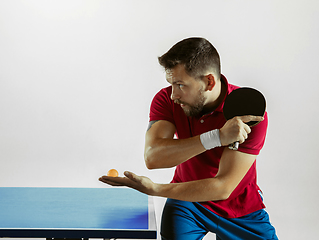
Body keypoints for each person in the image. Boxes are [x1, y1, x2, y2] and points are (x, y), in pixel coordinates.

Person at [99, 37, 278, 240]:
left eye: (180, 85)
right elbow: (153, 157)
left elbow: (224, 187)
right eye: (171, 84)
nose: (173, 94)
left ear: (209, 81)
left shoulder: (249, 114)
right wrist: (217, 137)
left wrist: (156, 189)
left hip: (240, 207)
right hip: (186, 201)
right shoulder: (166, 100)